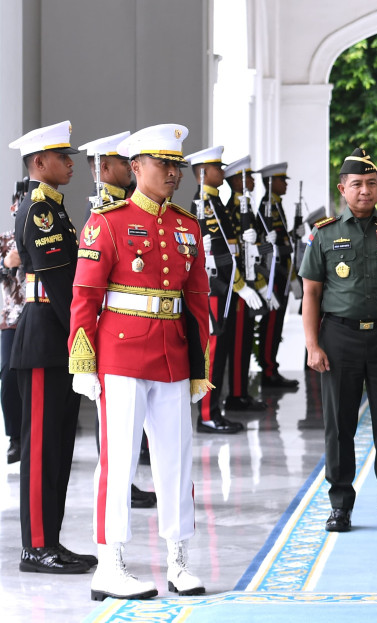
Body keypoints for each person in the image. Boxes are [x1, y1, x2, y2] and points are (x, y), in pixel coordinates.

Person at [68, 123, 210, 600]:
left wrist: (199, 366)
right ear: (136, 168)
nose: (173, 174)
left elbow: (197, 301)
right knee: (119, 460)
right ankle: (110, 563)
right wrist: (82, 361)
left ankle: (178, 558)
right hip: (122, 351)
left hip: (171, 354)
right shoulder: (107, 222)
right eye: (163, 165)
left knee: (177, 459)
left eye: (177, 166)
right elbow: (85, 296)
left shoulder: (187, 227)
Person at [299, 147, 377, 533]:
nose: (364, 191)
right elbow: (311, 294)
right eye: (357, 184)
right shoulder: (325, 233)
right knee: (339, 426)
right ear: (343, 188)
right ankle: (340, 506)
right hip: (338, 338)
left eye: (371, 184)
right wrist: (312, 345)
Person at [8, 120, 95, 573]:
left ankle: (52, 541)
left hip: (56, 335)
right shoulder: (39, 207)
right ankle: (36, 547)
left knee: (59, 446)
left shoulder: (54, 207)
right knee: (41, 447)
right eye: (63, 158)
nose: (70, 164)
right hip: (46, 336)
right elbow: (61, 282)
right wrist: (87, 333)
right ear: (39, 163)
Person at [78, 131, 158, 508]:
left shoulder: (128, 207)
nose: (130, 169)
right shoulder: (103, 213)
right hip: (116, 330)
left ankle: (128, 483)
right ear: (104, 167)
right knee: (112, 424)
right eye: (123, 162)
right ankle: (121, 487)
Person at [185, 145, 247, 434]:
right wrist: (239, 285)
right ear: (202, 173)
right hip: (214, 289)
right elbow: (216, 258)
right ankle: (207, 414)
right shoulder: (203, 205)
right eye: (216, 167)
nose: (222, 171)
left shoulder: (216, 204)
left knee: (220, 352)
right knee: (212, 352)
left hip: (225, 288)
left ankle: (215, 409)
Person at [222, 156, 266, 411]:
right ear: (237, 180)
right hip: (237, 285)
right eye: (247, 176)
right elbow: (231, 249)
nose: (250, 181)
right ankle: (236, 394)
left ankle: (241, 392)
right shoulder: (230, 209)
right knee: (238, 340)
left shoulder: (246, 204)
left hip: (249, 279)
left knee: (245, 337)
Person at [256, 162, 300, 390]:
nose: (285, 184)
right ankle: (268, 370)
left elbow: (281, 239)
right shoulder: (267, 206)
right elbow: (265, 245)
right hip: (273, 272)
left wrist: (294, 234)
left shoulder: (276, 205)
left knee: (276, 322)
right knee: (271, 323)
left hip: (282, 271)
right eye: (282, 180)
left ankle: (271, 367)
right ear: (272, 182)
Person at [0, 184, 26, 464]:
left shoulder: (43, 234)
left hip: (42, 317)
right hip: (12, 320)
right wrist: (7, 263)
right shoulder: (5, 240)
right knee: (8, 375)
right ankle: (15, 438)